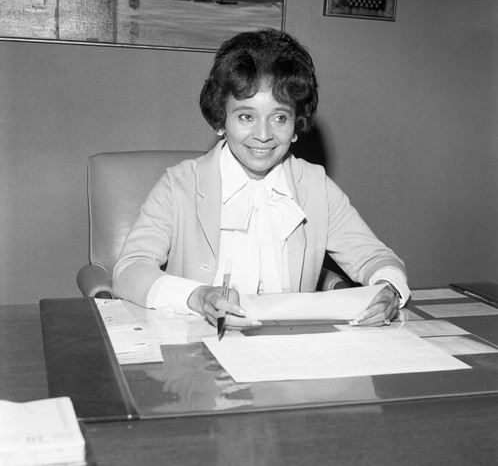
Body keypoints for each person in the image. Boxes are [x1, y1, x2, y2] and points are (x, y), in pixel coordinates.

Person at [113, 28, 410, 330]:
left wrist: (389, 290)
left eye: (279, 117)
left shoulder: (315, 186)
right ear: (221, 119)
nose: (264, 135)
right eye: (246, 116)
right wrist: (197, 296)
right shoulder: (178, 185)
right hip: (196, 344)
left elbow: (377, 257)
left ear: (296, 124)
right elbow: (129, 271)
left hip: (289, 348)